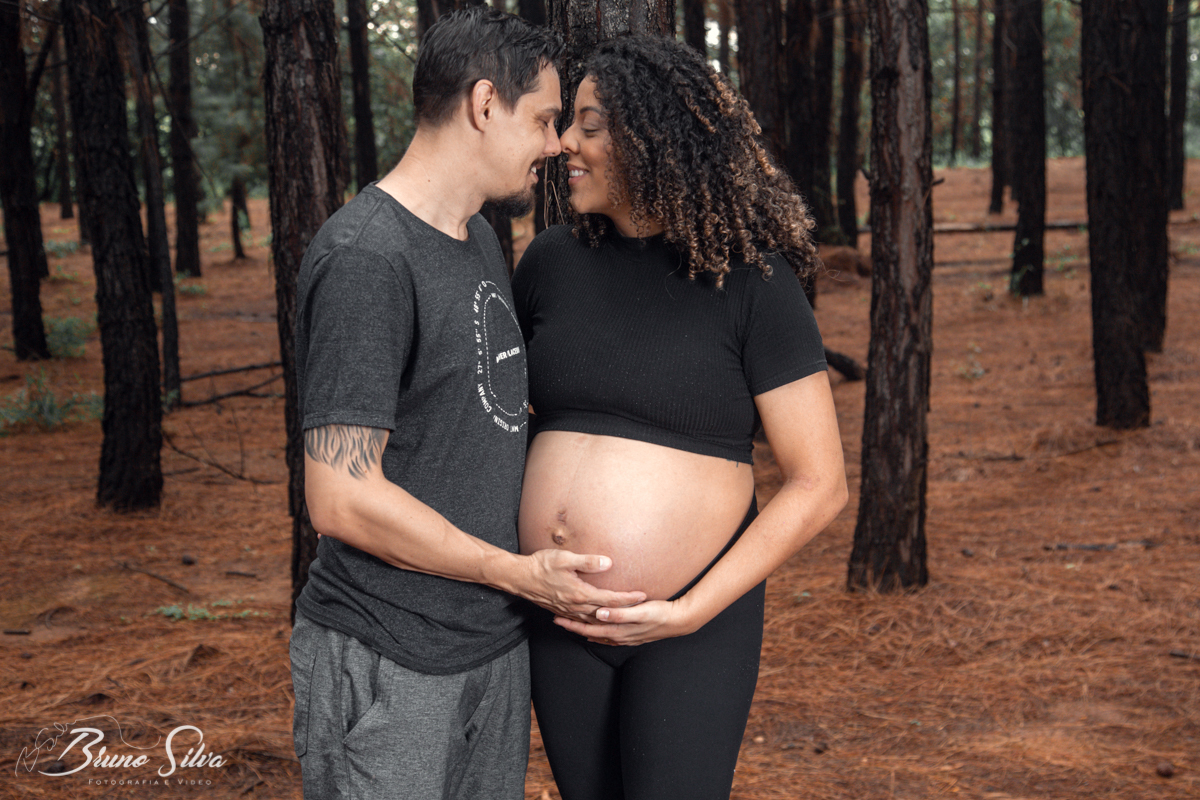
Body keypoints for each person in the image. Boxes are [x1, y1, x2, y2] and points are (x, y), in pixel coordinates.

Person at [288, 9, 645, 800]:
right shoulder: (367, 258)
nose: (555, 145)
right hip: (391, 653)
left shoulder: (477, 237)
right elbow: (341, 498)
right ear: (485, 104)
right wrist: (513, 571)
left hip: (492, 647)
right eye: (544, 119)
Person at [512, 35, 849, 800]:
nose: (564, 145)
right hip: (560, 618)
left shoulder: (752, 283)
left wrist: (691, 611)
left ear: (653, 139)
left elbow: (820, 483)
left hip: (691, 625)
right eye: (567, 124)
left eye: (589, 126)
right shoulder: (550, 263)